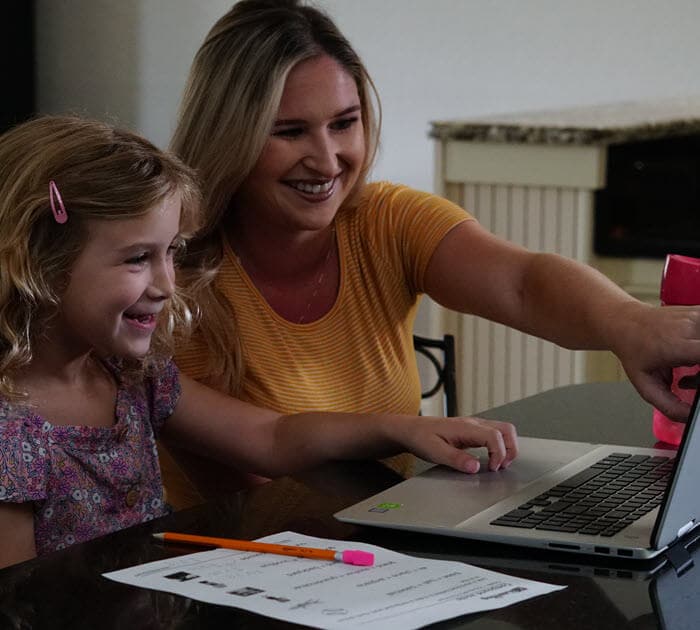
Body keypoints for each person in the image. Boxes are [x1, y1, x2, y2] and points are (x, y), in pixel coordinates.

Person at [164, 0, 700, 507]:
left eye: (344, 124)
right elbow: (260, 485)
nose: (327, 161)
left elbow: (523, 283)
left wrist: (628, 323)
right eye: (289, 132)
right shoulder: (168, 278)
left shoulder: (385, 220)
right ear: (229, 134)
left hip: (381, 539)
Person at [0, 115, 517, 569]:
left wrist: (403, 428)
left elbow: (271, 438)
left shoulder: (130, 377)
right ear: (40, 260)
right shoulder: (10, 430)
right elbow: (19, 600)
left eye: (171, 253)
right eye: (138, 258)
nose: (165, 284)